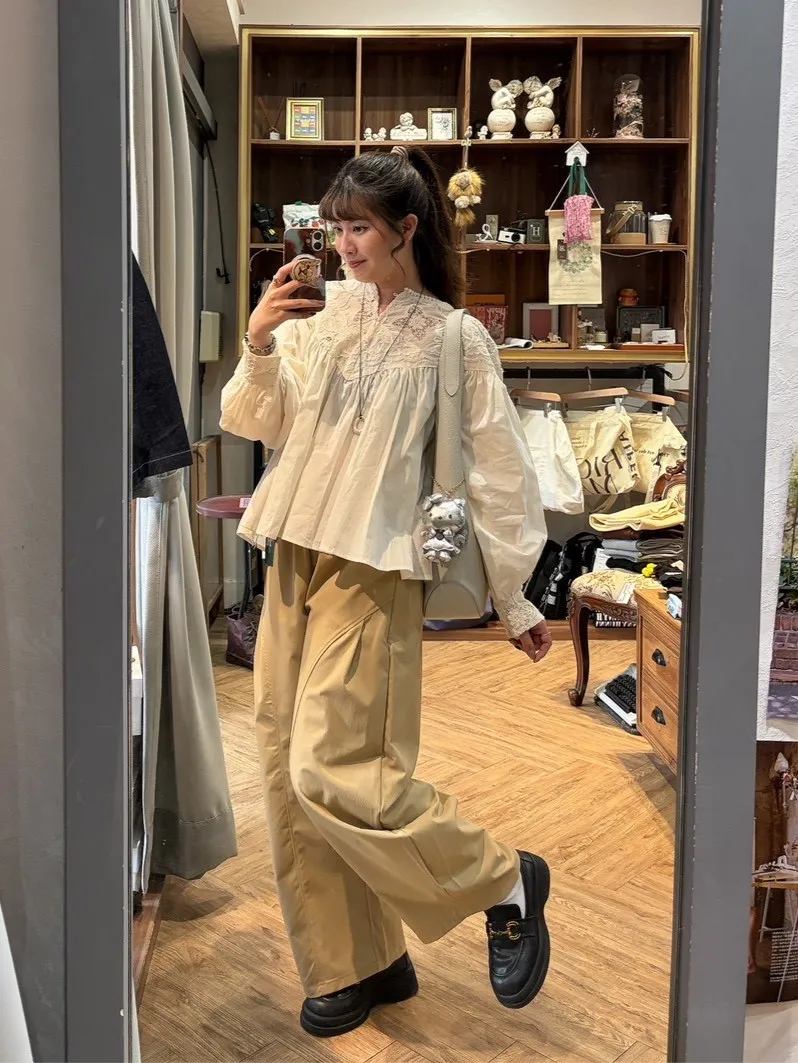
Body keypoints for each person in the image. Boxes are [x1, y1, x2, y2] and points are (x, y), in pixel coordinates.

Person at [220, 145, 553, 1038]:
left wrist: (517, 594)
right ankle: (356, 961)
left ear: (407, 227)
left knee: (336, 766)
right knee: (285, 769)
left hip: (376, 564)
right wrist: (260, 340)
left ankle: (503, 878)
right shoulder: (320, 318)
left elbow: (500, 471)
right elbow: (256, 419)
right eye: (336, 226)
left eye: (360, 226)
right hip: (293, 551)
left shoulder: (454, 336)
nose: (344, 243)